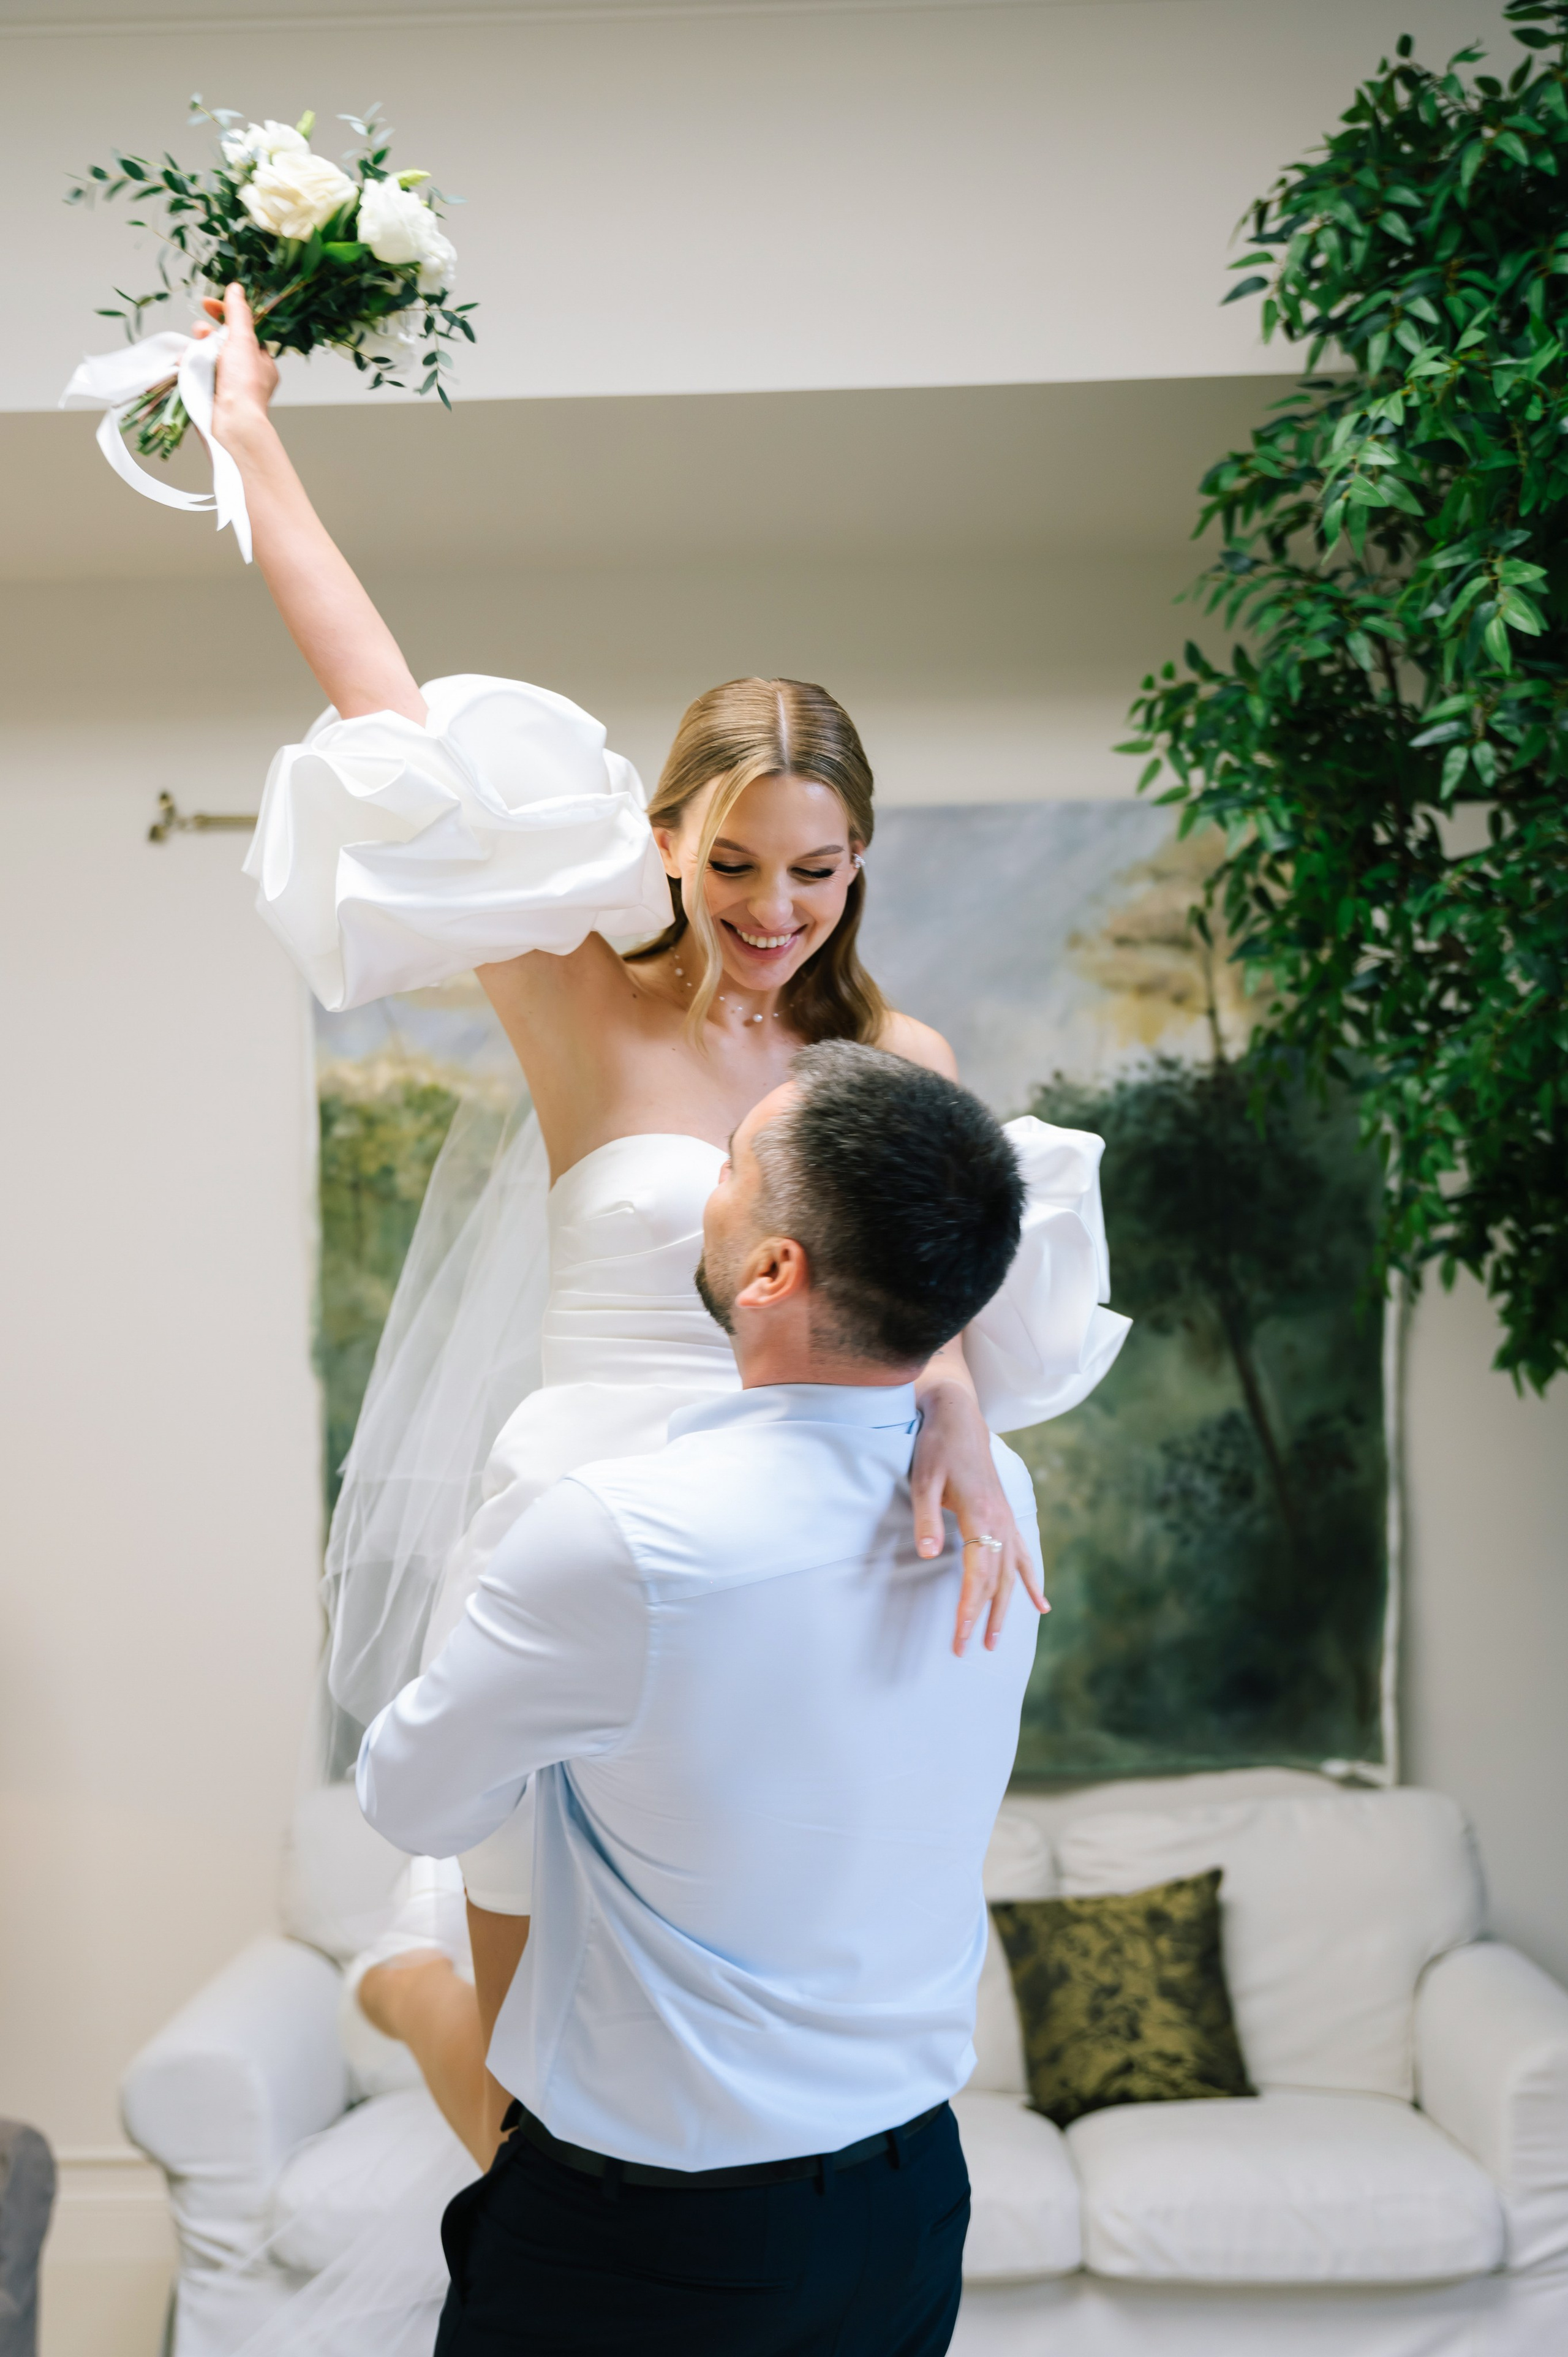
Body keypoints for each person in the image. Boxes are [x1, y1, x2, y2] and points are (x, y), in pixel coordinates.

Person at [202, 279, 1128, 2350]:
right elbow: (394, 720)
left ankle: (468, 2042)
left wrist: (963, 1406)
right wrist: (253, 445)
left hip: (792, 1565)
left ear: (859, 856)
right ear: (667, 841)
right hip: (589, 1522)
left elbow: (930, 1260)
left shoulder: (899, 1041)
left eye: (814, 864)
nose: (774, 908)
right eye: (734, 862)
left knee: (729, 2056)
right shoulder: (579, 998)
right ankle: (431, 1991)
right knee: (549, 2101)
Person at [360, 1043, 1041, 2357]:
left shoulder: (619, 1539)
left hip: (653, 2255)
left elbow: (410, 1792)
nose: (703, 1193)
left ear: (774, 1270)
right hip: (909, 2213)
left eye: (729, 1171)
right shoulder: (1000, 1499)